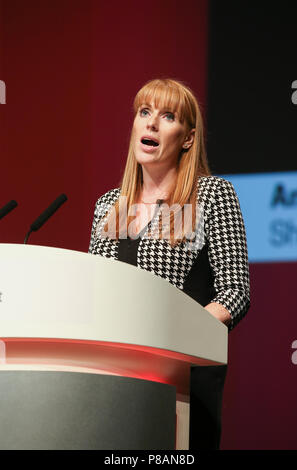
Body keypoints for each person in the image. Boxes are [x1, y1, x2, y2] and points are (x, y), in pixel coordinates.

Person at [88, 78, 250, 449]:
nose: (151, 123)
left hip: (185, 380)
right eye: (144, 113)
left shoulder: (209, 195)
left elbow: (235, 292)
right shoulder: (109, 205)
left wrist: (177, 337)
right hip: (118, 377)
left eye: (167, 116)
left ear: (188, 138)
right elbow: (97, 293)